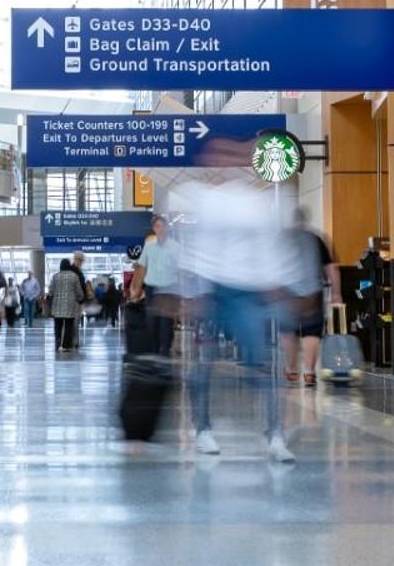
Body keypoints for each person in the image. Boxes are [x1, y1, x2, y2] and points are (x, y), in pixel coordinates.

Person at [177, 159, 305, 462]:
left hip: (248, 291)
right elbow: (197, 246)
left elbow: (269, 246)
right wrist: (195, 293)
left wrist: (279, 282)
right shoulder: (207, 200)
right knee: (204, 365)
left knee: (259, 365)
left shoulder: (258, 204)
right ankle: (203, 429)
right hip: (215, 290)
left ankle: (275, 434)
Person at [279, 207, 335, 387]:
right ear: (306, 221)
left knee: (288, 332)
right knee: (311, 333)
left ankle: (292, 370)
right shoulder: (316, 239)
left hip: (287, 294)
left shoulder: (283, 239)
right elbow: (331, 268)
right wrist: (337, 293)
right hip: (313, 293)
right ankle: (309, 372)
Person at [129, 215, 182, 357]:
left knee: (166, 322)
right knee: (152, 321)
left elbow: (180, 270)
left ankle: (164, 351)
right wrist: (136, 290)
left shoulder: (176, 248)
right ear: (154, 229)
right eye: (158, 226)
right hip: (151, 289)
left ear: (167, 228)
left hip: (169, 289)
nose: (161, 229)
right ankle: (155, 349)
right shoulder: (149, 247)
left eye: (163, 226)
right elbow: (142, 269)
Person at [48, 258, 84, 352]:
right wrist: (80, 299)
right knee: (68, 325)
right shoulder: (74, 276)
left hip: (57, 305)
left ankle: (58, 341)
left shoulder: (55, 276)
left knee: (57, 325)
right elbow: (78, 291)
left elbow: (51, 290)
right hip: (70, 305)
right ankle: (66, 345)